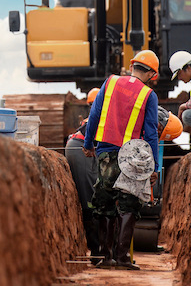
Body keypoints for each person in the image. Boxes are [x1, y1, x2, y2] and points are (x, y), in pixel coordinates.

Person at [82, 50, 160, 270]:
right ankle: (123, 257)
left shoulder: (111, 82)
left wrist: (89, 144)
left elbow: (95, 115)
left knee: (104, 203)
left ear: (132, 65)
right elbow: (151, 132)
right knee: (129, 205)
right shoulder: (148, 95)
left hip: (106, 151)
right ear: (152, 74)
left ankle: (105, 257)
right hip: (132, 156)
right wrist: (152, 166)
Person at [65, 88, 101, 264]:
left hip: (78, 147)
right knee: (89, 199)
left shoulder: (96, 116)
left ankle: (98, 251)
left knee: (91, 195)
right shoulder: (98, 116)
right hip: (80, 148)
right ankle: (96, 253)